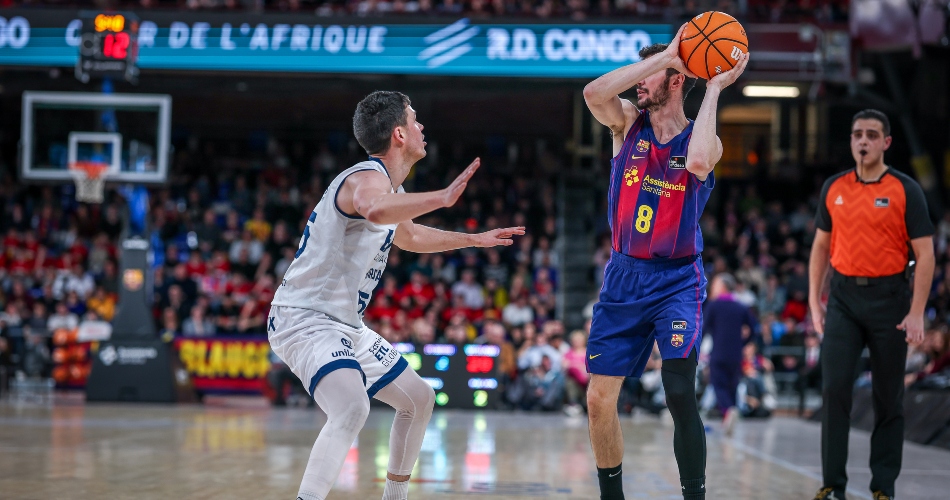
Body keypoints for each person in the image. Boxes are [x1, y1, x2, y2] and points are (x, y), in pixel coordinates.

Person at [267, 90, 525, 500]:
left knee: (419, 399)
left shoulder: (392, 191)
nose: (422, 126)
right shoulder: (366, 178)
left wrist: (473, 239)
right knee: (351, 406)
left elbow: (412, 237)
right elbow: (372, 209)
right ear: (399, 134)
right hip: (305, 316)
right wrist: (442, 198)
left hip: (344, 324)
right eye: (415, 119)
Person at [582, 23, 749, 500]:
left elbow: (697, 162)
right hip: (623, 275)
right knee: (598, 400)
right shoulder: (626, 123)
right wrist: (666, 57)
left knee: (678, 390)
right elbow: (593, 93)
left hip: (676, 279)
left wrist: (713, 86)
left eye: (653, 73)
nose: (640, 81)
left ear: (678, 81)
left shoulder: (703, 140)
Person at [808, 109, 935, 500]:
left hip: (890, 299)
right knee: (835, 390)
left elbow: (926, 255)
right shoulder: (834, 187)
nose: (863, 140)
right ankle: (833, 485)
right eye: (857, 134)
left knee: (888, 397)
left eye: (872, 135)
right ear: (851, 140)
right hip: (843, 299)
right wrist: (815, 301)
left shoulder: (905, 189)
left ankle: (883, 488)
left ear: (886, 142)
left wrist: (917, 312)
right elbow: (820, 248)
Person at [703, 273, 758, 436]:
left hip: (718, 352)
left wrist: (696, 348)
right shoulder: (741, 307)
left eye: (715, 285)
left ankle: (728, 411)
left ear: (723, 287)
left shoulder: (713, 306)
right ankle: (729, 415)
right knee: (732, 385)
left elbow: (703, 329)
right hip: (736, 354)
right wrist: (744, 343)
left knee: (717, 383)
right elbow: (754, 329)